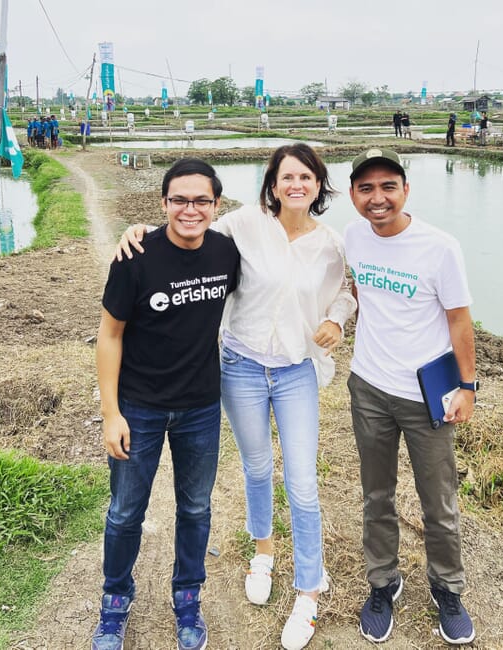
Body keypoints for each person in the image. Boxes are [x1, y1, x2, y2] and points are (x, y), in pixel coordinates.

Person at [115, 143, 357, 650]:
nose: (296, 185)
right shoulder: (243, 225)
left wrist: (336, 318)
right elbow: (187, 233)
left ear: (318, 186)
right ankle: (263, 553)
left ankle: (309, 590)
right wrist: (137, 233)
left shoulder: (332, 243)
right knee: (256, 468)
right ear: (272, 184)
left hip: (295, 371)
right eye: (286, 177)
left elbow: (345, 291)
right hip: (242, 366)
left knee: (303, 481)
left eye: (306, 178)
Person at [92, 158, 240, 650]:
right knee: (124, 512)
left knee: (195, 508)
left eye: (201, 200)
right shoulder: (135, 256)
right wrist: (112, 413)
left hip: (201, 406)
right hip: (140, 406)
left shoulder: (226, 252)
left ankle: (187, 598)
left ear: (216, 205)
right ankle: (115, 601)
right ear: (163, 204)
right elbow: (109, 336)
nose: (190, 209)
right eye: (180, 200)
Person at [344, 147, 477, 646]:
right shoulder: (354, 237)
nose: (377, 198)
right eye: (366, 188)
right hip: (369, 388)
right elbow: (355, 290)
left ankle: (448, 589)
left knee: (438, 501)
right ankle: (383, 583)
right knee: (376, 494)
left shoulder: (440, 247)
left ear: (405, 190)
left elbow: (459, 318)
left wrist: (467, 387)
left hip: (427, 396)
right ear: (354, 194)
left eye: (387, 187)